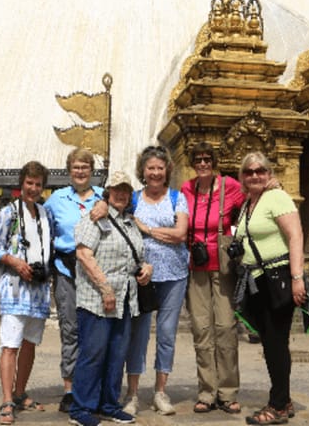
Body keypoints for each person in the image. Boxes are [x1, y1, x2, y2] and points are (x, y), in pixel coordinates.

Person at [67, 170, 153, 426]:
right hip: (97, 299)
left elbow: (138, 255)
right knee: (93, 353)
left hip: (126, 299)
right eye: (116, 189)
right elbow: (83, 255)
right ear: (107, 192)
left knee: (117, 354)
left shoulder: (130, 222)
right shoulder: (95, 217)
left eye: (126, 190)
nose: (121, 194)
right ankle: (81, 407)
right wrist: (105, 289)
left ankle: (108, 403)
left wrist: (147, 268)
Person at [234, 152, 306, 425]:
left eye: (260, 171)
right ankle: (284, 401)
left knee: (276, 342)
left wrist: (297, 276)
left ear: (269, 173)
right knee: (270, 343)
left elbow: (295, 235)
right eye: (249, 171)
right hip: (257, 280)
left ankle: (277, 405)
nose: (255, 175)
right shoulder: (248, 204)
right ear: (242, 176)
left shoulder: (277, 197)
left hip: (279, 277)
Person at [121, 145, 189, 416]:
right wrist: (166, 232)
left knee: (167, 334)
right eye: (151, 168)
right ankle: (133, 393)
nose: (156, 172)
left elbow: (181, 234)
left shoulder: (176, 198)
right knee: (137, 336)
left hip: (174, 274)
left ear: (167, 170)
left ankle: (161, 391)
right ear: (143, 171)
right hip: (142, 276)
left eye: (160, 168)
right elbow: (128, 230)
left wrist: (146, 229)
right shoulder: (134, 199)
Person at [180, 142, 245, 414]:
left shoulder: (230, 186)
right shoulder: (187, 189)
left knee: (226, 328)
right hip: (196, 267)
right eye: (198, 160)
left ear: (214, 161)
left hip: (223, 267)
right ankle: (207, 392)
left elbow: (248, 206)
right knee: (202, 330)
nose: (203, 164)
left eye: (207, 159)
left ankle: (227, 392)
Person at [0, 161, 54, 425]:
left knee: (30, 343)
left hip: (38, 289)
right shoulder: (9, 213)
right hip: (15, 289)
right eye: (29, 183)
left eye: (38, 184)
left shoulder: (44, 214)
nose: (33, 188)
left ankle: (19, 392)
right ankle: (6, 400)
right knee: (11, 344)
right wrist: (16, 262)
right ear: (22, 183)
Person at [45, 148, 105, 413]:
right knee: (70, 329)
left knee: (95, 332)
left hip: (95, 270)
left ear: (92, 171)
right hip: (66, 268)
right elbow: (43, 227)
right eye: (76, 167)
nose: (80, 172)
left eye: (85, 167)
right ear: (69, 170)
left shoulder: (104, 197)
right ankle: (69, 388)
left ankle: (94, 386)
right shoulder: (57, 199)